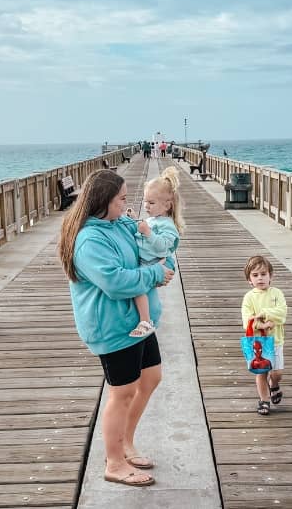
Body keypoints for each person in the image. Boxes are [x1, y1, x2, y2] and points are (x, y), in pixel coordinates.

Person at [59, 169, 175, 487]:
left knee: (150, 378)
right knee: (121, 392)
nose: (128, 204)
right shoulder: (89, 239)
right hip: (113, 325)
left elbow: (145, 236)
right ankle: (114, 462)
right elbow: (113, 281)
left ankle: (125, 442)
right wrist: (154, 275)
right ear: (103, 201)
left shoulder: (115, 223)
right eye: (122, 198)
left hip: (138, 321)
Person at [126, 167, 183, 337]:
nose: (146, 206)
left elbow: (163, 247)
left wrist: (148, 232)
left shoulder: (167, 225)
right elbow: (142, 235)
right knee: (143, 292)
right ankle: (147, 318)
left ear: (167, 205)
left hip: (152, 263)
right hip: (145, 261)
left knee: (139, 288)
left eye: (151, 203)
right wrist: (135, 219)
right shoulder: (152, 220)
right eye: (145, 201)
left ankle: (146, 321)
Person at [241, 255, 288, 416]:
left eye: (263, 274)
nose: (260, 278)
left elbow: (282, 312)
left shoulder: (277, 293)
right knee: (261, 372)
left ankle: (274, 385)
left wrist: (264, 313)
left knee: (277, 373)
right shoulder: (249, 297)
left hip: (276, 340)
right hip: (258, 342)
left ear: (270, 276)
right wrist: (261, 325)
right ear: (249, 279)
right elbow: (247, 319)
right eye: (255, 275)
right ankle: (264, 399)